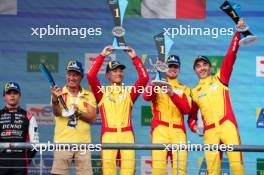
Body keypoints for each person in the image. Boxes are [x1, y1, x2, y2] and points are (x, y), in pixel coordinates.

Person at [188, 20, 246, 175]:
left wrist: (237, 33)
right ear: (195, 70)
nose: (202, 68)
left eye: (204, 64)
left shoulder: (220, 78)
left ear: (210, 67)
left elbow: (230, 56)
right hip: (209, 132)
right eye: (198, 66)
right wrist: (195, 128)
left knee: (237, 166)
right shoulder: (193, 92)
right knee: (212, 171)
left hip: (227, 125)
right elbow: (191, 117)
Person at [87, 45, 149, 175]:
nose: (119, 73)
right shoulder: (101, 92)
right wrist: (102, 55)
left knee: (128, 172)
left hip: (127, 136)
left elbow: (144, 79)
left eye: (121, 71)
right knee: (108, 172)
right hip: (108, 136)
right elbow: (91, 76)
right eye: (115, 71)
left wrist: (134, 57)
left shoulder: (129, 92)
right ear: (108, 75)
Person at [143, 55, 191, 175]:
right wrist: (158, 76)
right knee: (158, 170)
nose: (173, 68)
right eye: (170, 66)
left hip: (178, 132)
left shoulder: (185, 89)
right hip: (160, 130)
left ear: (179, 69)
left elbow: (186, 109)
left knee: (180, 171)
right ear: (165, 68)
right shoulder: (158, 83)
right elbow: (146, 96)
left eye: (176, 66)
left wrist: (172, 94)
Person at [50, 60, 97, 175]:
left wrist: (78, 113)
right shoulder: (58, 93)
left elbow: (93, 118)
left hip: (83, 144)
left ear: (81, 77)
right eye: (69, 74)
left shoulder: (89, 95)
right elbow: (57, 113)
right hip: (63, 142)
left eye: (75, 74)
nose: (72, 77)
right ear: (66, 75)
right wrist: (55, 99)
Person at [0, 82, 39, 175]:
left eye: (15, 93)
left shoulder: (29, 116)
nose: (12, 96)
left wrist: (25, 160)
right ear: (4, 96)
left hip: (20, 164)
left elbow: (35, 144)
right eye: (9, 93)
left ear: (20, 95)